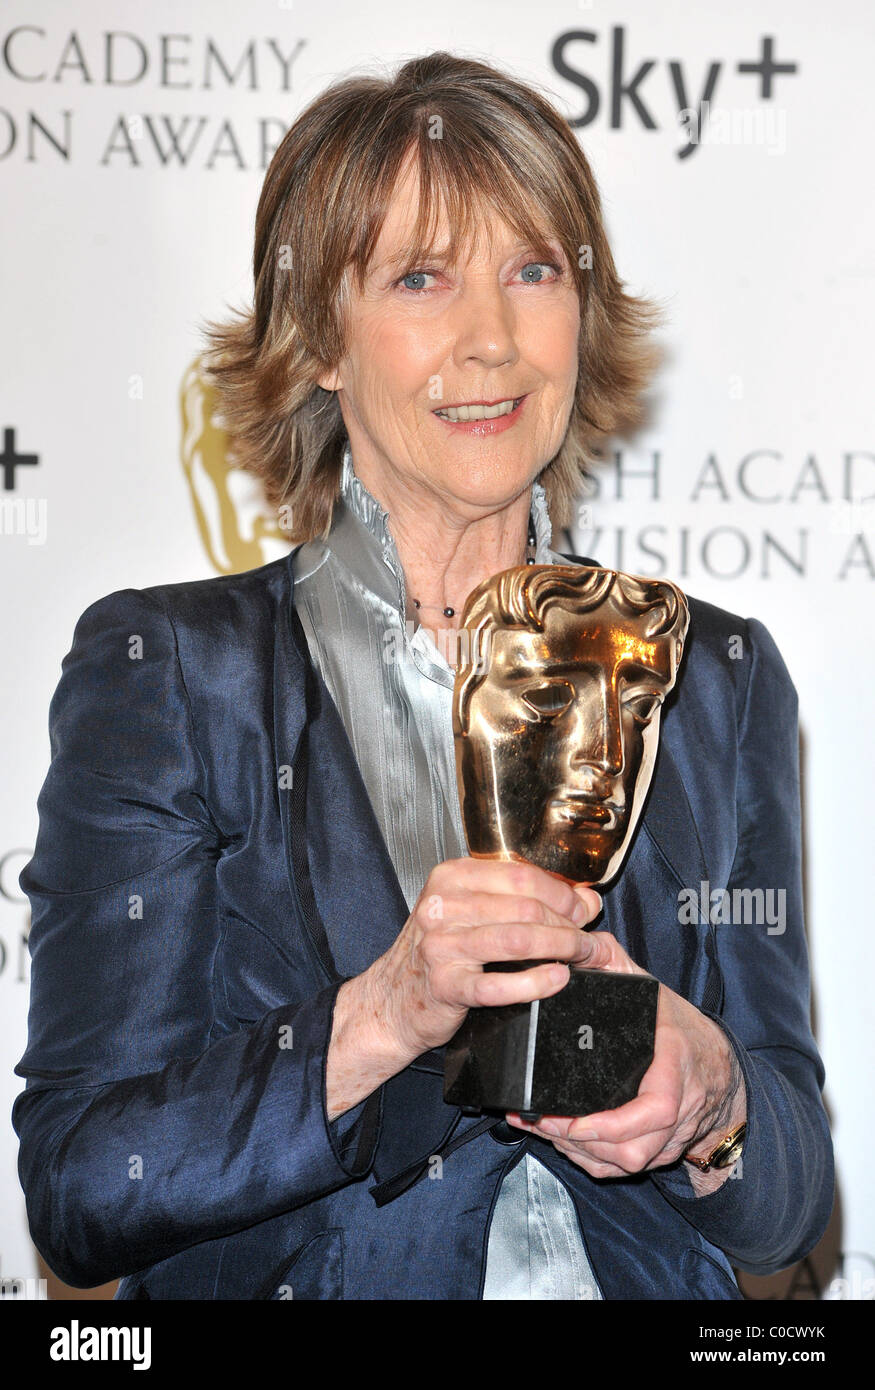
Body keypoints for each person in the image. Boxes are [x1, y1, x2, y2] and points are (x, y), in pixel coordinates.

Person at [13, 51, 833, 1300]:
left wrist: (710, 1097)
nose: (491, 339)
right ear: (320, 342)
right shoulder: (176, 674)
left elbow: (787, 1207)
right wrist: (385, 1011)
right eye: (418, 277)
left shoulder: (704, 675)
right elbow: (83, 1184)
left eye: (532, 269)